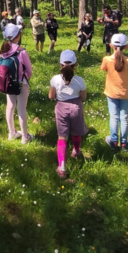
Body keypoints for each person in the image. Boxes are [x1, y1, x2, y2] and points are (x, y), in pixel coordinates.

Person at [49, 50, 88, 178]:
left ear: (60, 64)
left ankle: (62, 166)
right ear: (75, 64)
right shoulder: (80, 81)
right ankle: (76, 151)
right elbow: (83, 97)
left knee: (62, 137)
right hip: (76, 107)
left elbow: (51, 96)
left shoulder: (55, 79)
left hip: (61, 108)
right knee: (76, 132)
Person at [101, 33, 128, 152]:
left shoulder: (107, 59)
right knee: (124, 118)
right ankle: (124, 143)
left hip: (111, 93)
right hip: (126, 93)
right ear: (126, 46)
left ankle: (114, 141)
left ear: (111, 45)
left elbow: (104, 69)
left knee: (114, 117)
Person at [0, 23, 34, 144]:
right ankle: (25, 137)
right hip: (21, 84)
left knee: (10, 107)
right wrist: (25, 79)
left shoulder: (4, 50)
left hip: (7, 83)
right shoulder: (21, 51)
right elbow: (29, 71)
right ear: (17, 36)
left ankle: (12, 133)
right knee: (21, 109)